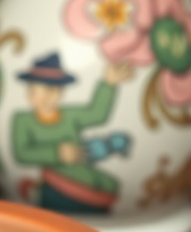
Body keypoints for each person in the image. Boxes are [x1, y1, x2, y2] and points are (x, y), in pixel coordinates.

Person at [12, 52, 133, 213]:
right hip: (57, 181)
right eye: (38, 90)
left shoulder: (69, 116)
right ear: (29, 92)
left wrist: (108, 83)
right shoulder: (23, 120)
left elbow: (97, 113)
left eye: (54, 90)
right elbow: (22, 152)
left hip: (86, 175)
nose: (47, 96)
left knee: (109, 184)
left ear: (60, 92)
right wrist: (57, 153)